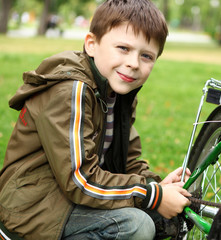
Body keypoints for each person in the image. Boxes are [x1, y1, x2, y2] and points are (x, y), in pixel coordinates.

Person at [0, 0, 192, 239]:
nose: (133, 63)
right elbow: (79, 179)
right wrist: (153, 195)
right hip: (34, 210)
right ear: (92, 44)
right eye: (123, 48)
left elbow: (126, 161)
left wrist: (158, 185)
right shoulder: (71, 92)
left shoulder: (119, 92)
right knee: (136, 225)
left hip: (70, 199)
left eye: (146, 56)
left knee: (166, 215)